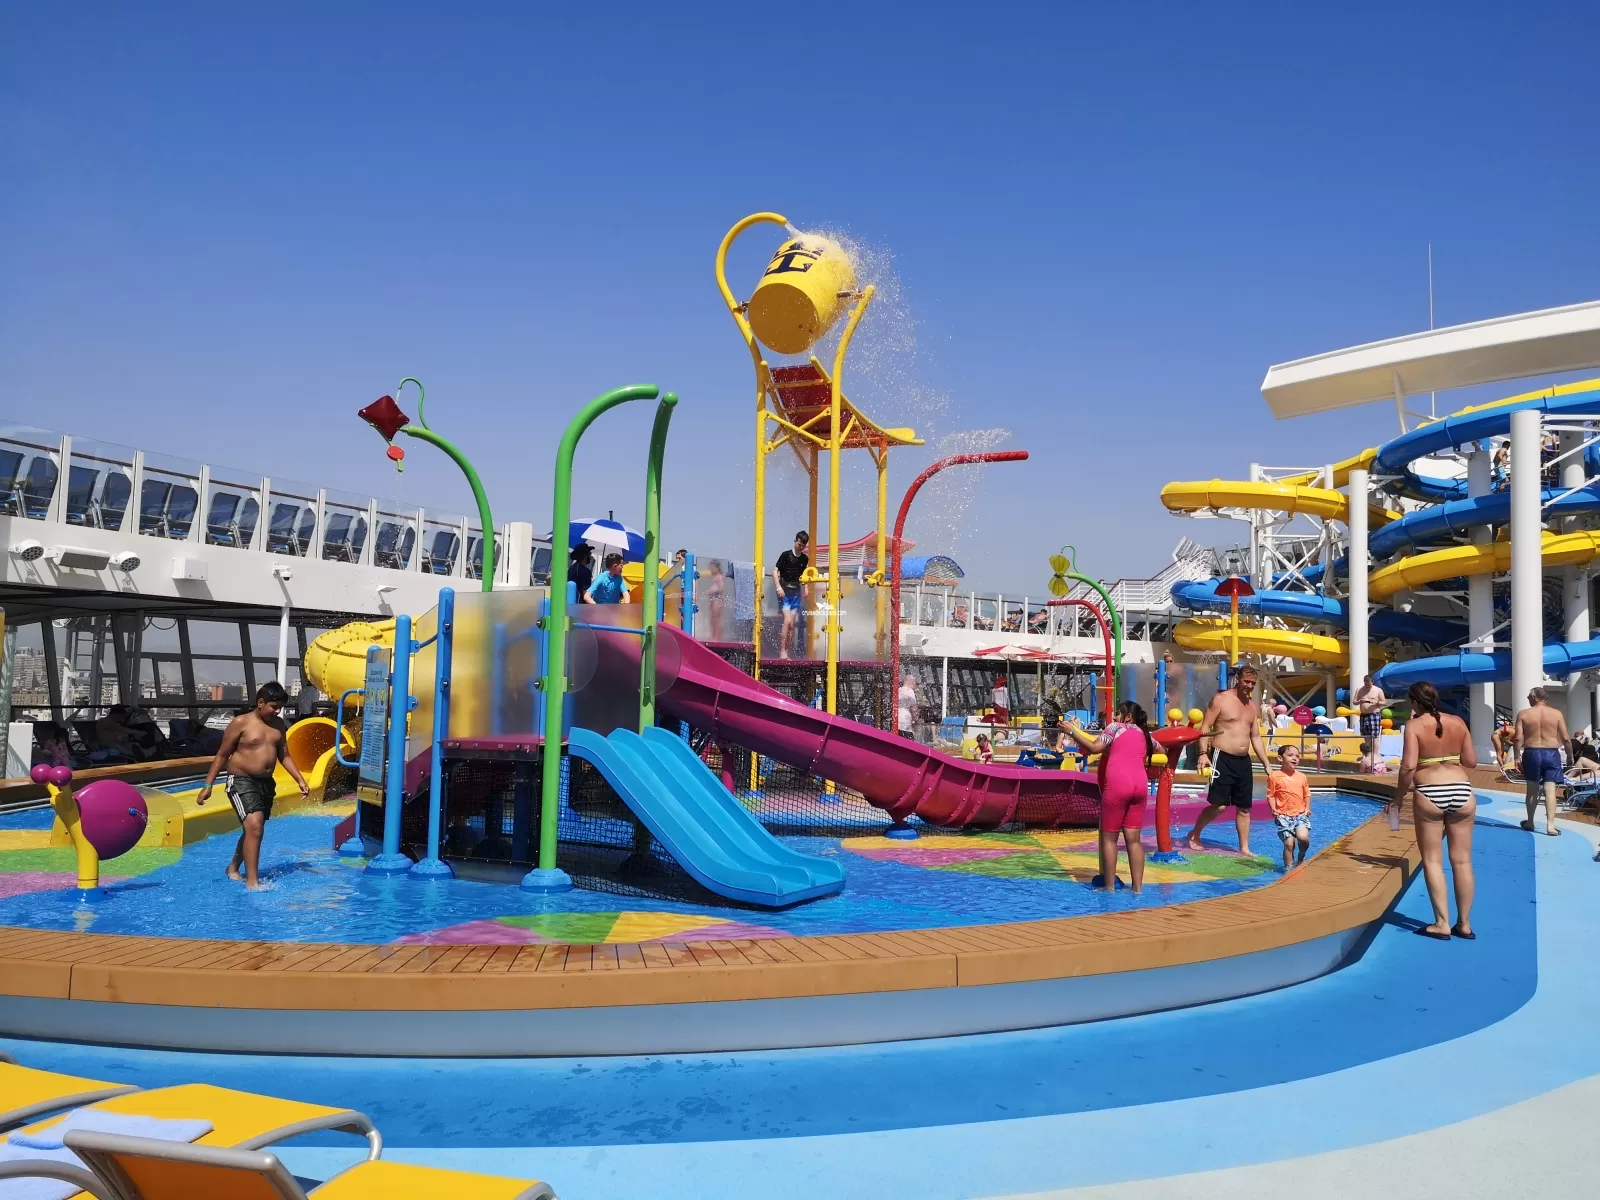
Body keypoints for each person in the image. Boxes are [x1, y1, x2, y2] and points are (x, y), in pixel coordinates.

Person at [196, 682, 309, 889]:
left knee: (253, 829)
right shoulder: (241, 723)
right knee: (255, 827)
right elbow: (222, 755)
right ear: (260, 702)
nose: (277, 711)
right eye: (274, 707)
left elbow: (284, 755)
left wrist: (300, 780)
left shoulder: (278, 725)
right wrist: (208, 786)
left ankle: (233, 868)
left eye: (280, 708)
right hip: (241, 780)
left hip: (266, 783)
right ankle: (252, 882)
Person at [1398, 681, 1479, 939]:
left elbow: (1408, 767)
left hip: (1430, 792)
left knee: (1433, 860)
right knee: (1462, 861)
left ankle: (1442, 923)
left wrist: (1398, 797)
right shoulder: (1458, 722)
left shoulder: (1414, 726)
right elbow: (1471, 762)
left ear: (1415, 702)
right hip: (1462, 791)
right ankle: (1464, 924)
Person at [1065, 702, 1154, 893]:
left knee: (1109, 839)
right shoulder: (1144, 733)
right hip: (1140, 786)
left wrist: (1071, 731)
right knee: (1134, 840)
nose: (1114, 718)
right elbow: (1160, 749)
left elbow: (1094, 747)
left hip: (1118, 785)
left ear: (1128, 717)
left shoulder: (1114, 728)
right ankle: (1137, 889)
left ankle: (1109, 887)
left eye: (1118, 714)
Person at [1186, 664, 1270, 855]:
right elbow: (1205, 727)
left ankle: (1244, 848)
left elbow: (1255, 736)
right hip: (1221, 757)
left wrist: (1266, 764)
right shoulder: (1221, 699)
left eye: (1253, 683)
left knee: (1244, 808)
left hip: (1243, 761)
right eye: (1246, 681)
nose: (1249, 686)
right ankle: (1194, 833)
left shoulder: (1252, 706)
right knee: (1220, 806)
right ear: (1237, 679)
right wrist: (1202, 754)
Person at [1513, 686, 1568, 836]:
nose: (1528, 699)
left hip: (1532, 753)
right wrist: (1570, 756)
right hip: (1551, 753)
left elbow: (1518, 738)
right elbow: (1566, 738)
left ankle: (1530, 822)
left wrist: (1516, 757)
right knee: (1550, 791)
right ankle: (1551, 826)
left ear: (1534, 697)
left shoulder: (1523, 714)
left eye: (1528, 697)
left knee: (1532, 790)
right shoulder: (1556, 713)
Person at [1267, 744, 1312, 871]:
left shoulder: (1301, 776)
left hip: (1300, 814)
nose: (1295, 758)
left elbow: (1307, 794)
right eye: (1290, 755)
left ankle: (1301, 855)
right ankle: (1289, 870)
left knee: (1303, 838)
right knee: (1289, 844)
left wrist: (1307, 808)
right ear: (1280, 758)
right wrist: (1273, 809)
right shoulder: (1274, 776)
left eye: (1297, 756)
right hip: (1283, 815)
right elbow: (1270, 795)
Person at [772, 531, 809, 659]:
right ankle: (782, 651)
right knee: (787, 621)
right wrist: (778, 587)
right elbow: (774, 571)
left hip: (796, 594)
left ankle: (787, 652)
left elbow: (803, 576)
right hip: (784, 593)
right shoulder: (785, 555)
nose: (801, 547)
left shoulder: (804, 559)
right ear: (795, 541)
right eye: (799, 544)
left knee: (792, 625)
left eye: (803, 545)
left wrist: (806, 587)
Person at [1353, 675, 1386, 771]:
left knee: (1374, 736)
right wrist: (1360, 701)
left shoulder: (1378, 690)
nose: (1367, 685)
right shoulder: (1360, 689)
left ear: (1372, 682)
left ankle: (1374, 755)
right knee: (1366, 736)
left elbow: (1384, 702)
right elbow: (1354, 701)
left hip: (1374, 714)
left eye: (1369, 684)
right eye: (1365, 684)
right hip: (1364, 715)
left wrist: (1376, 702)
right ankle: (1367, 755)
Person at [897, 673, 917, 739]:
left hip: (897, 719)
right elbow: (914, 709)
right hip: (905, 721)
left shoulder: (898, 690)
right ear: (912, 682)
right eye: (915, 683)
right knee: (908, 740)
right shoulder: (910, 691)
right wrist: (915, 720)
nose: (915, 685)